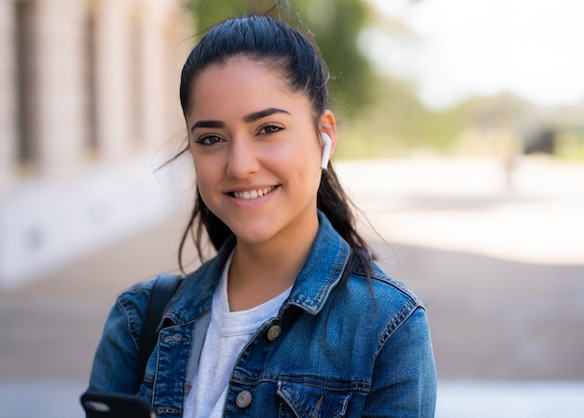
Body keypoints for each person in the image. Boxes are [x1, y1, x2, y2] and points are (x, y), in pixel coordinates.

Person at [87, 4, 436, 417]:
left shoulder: (386, 331)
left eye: (268, 129)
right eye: (212, 138)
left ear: (324, 135)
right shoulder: (139, 320)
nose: (239, 165)